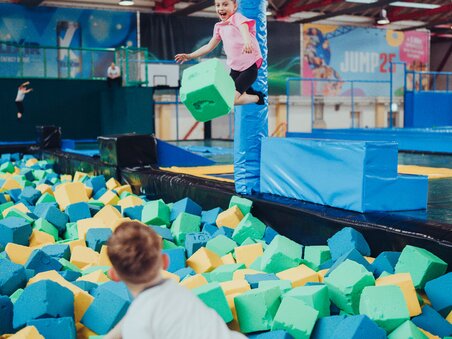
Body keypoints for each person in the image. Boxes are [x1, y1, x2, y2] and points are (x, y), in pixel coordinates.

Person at [105, 220, 246, 339]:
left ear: (114, 275)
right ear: (165, 262)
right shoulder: (179, 292)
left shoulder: (137, 322)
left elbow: (139, 316)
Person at [175, 0, 265, 106]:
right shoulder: (219, 27)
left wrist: (247, 41)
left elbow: (243, 27)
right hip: (235, 69)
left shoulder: (237, 18)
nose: (221, 8)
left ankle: (257, 97)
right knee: (225, 97)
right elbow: (209, 46)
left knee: (231, 100)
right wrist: (190, 56)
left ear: (234, 6)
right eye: (218, 5)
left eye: (225, 4)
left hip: (249, 67)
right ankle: (249, 90)